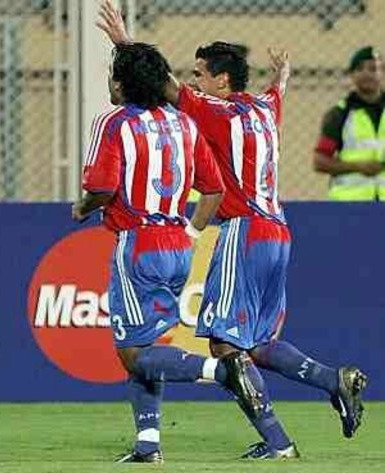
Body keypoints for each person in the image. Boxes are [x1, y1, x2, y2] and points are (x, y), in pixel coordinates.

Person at [97, 0, 368, 459]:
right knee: (257, 342)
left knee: (225, 346)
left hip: (244, 233)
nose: (196, 82)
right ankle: (331, 380)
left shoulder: (214, 113)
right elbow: (277, 90)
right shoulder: (264, 108)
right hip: (279, 232)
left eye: (201, 74)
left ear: (221, 80)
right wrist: (282, 75)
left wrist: (125, 42)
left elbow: (160, 85)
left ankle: (278, 442)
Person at [72, 41, 264, 464]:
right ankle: (148, 445)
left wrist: (82, 208)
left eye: (112, 76)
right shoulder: (184, 124)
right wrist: (192, 234)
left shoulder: (114, 122)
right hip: (178, 243)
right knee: (149, 349)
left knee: (135, 355)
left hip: (138, 242)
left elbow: (101, 189)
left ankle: (222, 371)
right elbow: (213, 190)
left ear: (121, 84)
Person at [314, 46, 385, 200]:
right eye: (360, 68)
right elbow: (320, 161)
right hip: (350, 205)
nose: (367, 74)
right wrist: (358, 167)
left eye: (373, 69)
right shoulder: (339, 114)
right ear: (352, 75)